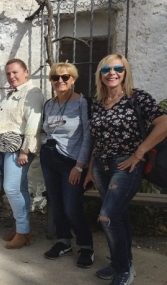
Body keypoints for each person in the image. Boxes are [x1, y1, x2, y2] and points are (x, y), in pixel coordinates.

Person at [84, 54, 167, 285]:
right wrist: (91, 169)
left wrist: (139, 152)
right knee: (118, 214)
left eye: (118, 68)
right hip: (101, 165)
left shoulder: (137, 97)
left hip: (126, 165)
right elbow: (96, 140)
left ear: (125, 72)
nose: (112, 72)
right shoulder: (98, 104)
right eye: (106, 69)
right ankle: (123, 261)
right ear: (100, 74)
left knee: (108, 216)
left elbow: (164, 123)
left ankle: (123, 270)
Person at [40, 63, 94, 267]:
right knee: (57, 202)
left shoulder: (82, 102)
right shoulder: (49, 104)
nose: (60, 81)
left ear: (73, 79)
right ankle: (63, 241)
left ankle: (86, 246)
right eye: (55, 77)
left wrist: (80, 166)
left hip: (71, 161)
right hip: (49, 158)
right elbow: (47, 130)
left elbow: (88, 136)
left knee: (72, 207)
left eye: (65, 77)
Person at [0, 58, 45, 249]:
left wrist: (25, 150)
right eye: (8, 73)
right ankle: (22, 229)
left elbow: (34, 122)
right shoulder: (14, 93)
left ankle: (22, 232)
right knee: (18, 189)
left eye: (15, 72)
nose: (11, 76)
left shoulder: (32, 93)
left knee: (12, 188)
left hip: (19, 149)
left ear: (26, 72)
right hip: (7, 147)